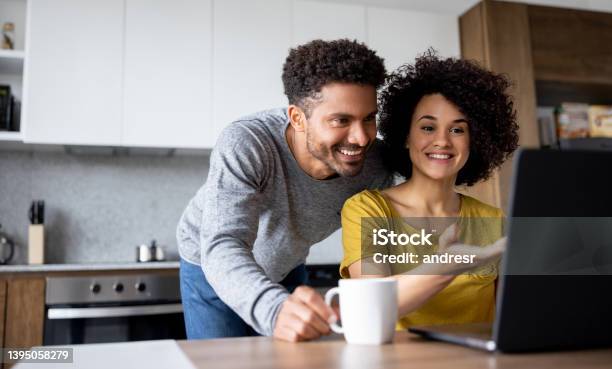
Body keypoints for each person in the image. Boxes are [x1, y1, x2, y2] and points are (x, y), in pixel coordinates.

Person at [177, 39, 391, 342]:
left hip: (287, 263)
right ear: (297, 118)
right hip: (212, 265)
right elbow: (223, 242)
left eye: (369, 118)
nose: (360, 138)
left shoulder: (376, 163)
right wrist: (273, 310)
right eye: (341, 120)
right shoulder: (248, 143)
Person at [340, 51, 519, 329]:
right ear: (406, 136)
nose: (442, 141)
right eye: (428, 127)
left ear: (477, 141)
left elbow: (507, 319)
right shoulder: (367, 210)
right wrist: (445, 266)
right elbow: (370, 307)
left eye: (458, 130)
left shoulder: (493, 221)